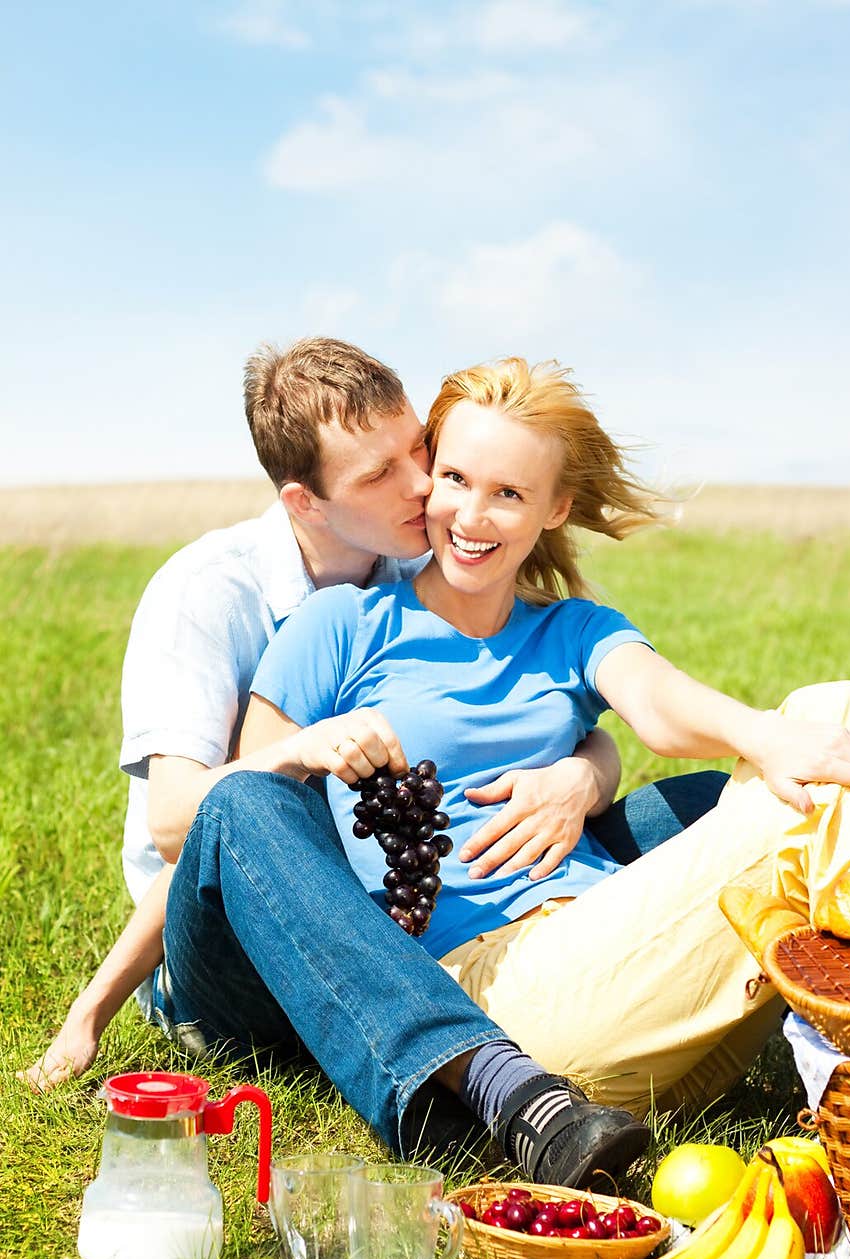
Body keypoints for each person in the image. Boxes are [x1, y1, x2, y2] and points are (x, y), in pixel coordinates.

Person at [22, 339, 726, 1105]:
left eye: (419, 450)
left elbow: (561, 700)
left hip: (393, 902)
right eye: (380, 473)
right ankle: (485, 1076)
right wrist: (89, 1014)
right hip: (238, 939)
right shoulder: (209, 596)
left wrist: (584, 774)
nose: (425, 485)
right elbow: (190, 829)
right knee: (256, 802)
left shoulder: (417, 557)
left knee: (704, 803)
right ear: (306, 503)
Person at [206, 353, 850, 1139]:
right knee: (840, 726)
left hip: (644, 979)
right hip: (504, 1011)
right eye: (454, 478)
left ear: (554, 508)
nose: (470, 516)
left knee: (840, 713)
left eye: (509, 494)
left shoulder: (572, 630)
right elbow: (254, 815)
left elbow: (657, 705)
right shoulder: (343, 627)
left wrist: (742, 736)